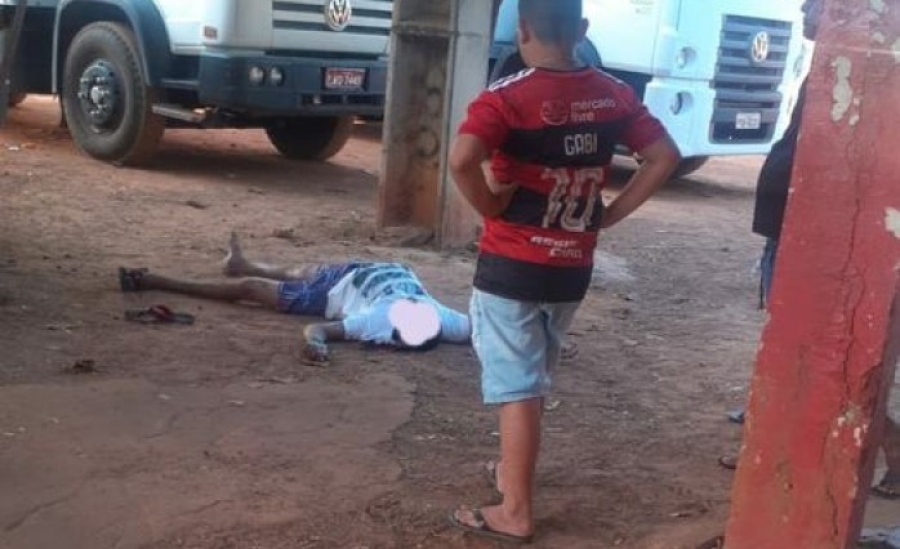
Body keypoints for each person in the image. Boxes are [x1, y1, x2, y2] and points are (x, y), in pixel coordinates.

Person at [446, 0, 680, 542]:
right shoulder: (614, 94)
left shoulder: (507, 97)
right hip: (572, 265)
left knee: (517, 388)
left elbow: (461, 159)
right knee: (531, 379)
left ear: (522, 29)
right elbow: (664, 156)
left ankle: (515, 511)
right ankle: (510, 472)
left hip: (512, 266)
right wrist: (611, 213)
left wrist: (489, 205)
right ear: (582, 30)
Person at [118, 234, 471, 362]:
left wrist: (315, 345)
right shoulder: (445, 321)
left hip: (334, 293)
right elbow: (481, 329)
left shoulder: (376, 321)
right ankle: (241, 264)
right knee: (298, 270)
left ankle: (155, 281)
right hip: (362, 271)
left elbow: (317, 329)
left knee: (252, 289)